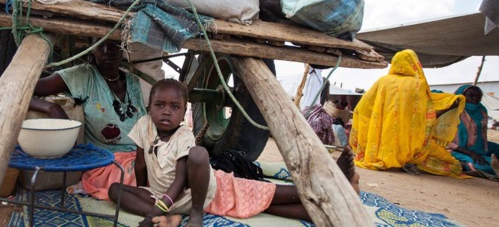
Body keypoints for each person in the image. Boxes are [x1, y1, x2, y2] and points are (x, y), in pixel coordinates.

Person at [110, 79, 361, 227]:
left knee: (268, 194)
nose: (166, 111)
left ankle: (329, 184)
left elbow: (180, 178)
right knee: (115, 190)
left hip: (202, 191)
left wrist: (155, 211)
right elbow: (140, 164)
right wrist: (145, 193)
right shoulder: (144, 125)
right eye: (159, 105)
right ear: (149, 107)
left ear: (184, 111)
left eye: (174, 107)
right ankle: (331, 207)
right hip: (168, 198)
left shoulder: (183, 135)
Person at [30, 38, 147, 200]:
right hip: (107, 162)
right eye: (100, 44)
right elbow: (22, 88)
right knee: (146, 178)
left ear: (124, 46)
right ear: (91, 47)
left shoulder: (133, 82)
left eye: (114, 44)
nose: (107, 50)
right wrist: (52, 108)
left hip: (141, 157)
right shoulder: (83, 76)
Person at [349, 49, 465, 177]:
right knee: (452, 164)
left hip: (384, 131)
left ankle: (395, 159)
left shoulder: (383, 81)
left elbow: (363, 107)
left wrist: (371, 123)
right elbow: (425, 111)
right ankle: (407, 160)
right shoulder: (419, 84)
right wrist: (448, 102)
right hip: (410, 135)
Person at [448, 85, 499, 175]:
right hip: (455, 149)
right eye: (471, 95)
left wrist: (477, 150)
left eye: (478, 96)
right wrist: (471, 153)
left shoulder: (481, 110)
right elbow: (446, 142)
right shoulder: (452, 111)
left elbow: (481, 135)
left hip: (479, 146)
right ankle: (464, 164)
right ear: (461, 96)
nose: (475, 98)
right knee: (494, 166)